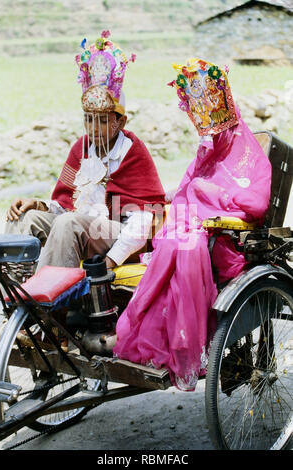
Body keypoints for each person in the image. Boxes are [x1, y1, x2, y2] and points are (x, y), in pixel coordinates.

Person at [113, 58, 272, 391]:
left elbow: (256, 203)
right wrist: (173, 195)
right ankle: (162, 342)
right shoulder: (206, 151)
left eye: (217, 129)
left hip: (228, 242)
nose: (212, 137)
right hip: (192, 233)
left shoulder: (251, 155)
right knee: (174, 243)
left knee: (182, 245)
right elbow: (185, 186)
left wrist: (215, 194)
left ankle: (185, 348)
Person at [5, 31, 166, 272]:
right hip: (79, 223)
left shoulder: (133, 152)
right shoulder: (80, 148)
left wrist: (111, 261)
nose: (93, 128)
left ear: (121, 122)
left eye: (102, 121)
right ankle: (17, 294)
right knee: (24, 218)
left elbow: (142, 222)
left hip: (117, 234)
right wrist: (37, 205)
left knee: (68, 224)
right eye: (89, 120)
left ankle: (53, 301)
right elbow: (66, 202)